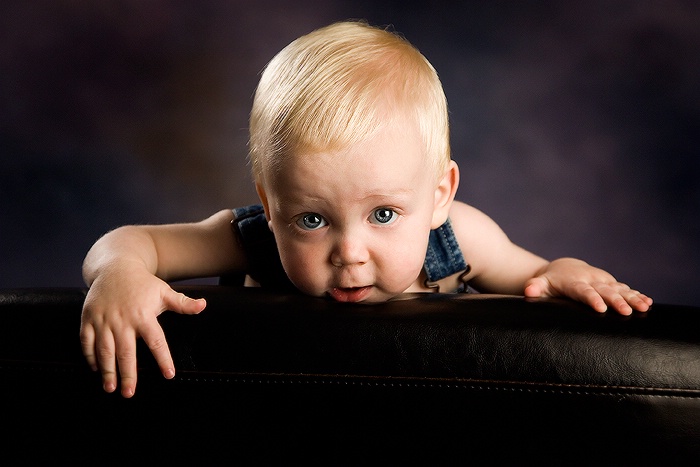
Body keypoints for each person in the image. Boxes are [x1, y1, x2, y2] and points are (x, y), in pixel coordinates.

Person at [80, 20, 653, 398]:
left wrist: (566, 270)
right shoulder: (250, 238)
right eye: (311, 219)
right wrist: (120, 272)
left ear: (438, 196)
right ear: (271, 206)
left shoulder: (461, 240)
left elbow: (537, 277)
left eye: (383, 214)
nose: (349, 254)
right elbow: (131, 241)